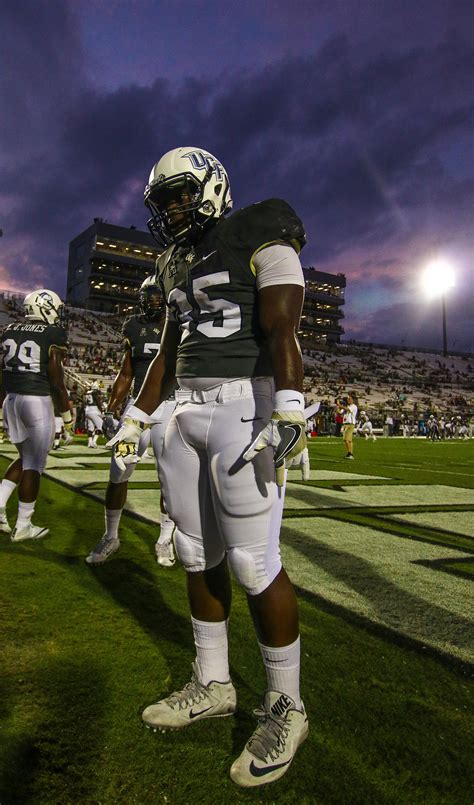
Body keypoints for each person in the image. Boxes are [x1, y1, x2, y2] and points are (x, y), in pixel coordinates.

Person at [108, 147, 308, 787]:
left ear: (214, 186)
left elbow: (282, 326)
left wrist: (291, 402)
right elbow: (169, 346)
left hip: (241, 405)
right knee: (196, 552)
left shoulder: (257, 228)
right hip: (183, 412)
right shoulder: (173, 260)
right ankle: (213, 682)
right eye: (161, 199)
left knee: (254, 563)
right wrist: (139, 416)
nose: (171, 208)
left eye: (181, 193)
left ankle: (286, 706)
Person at [86, 276, 177, 566]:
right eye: (150, 295)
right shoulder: (133, 326)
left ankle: (165, 538)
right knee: (119, 472)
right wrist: (112, 409)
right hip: (137, 410)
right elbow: (126, 373)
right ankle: (111, 535)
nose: (154, 301)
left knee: (170, 480)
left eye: (158, 296)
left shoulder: (179, 323)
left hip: (171, 410)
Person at [0, 289, 73, 541]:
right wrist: (66, 415)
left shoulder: (10, 329)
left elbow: (3, 370)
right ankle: (23, 526)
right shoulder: (53, 333)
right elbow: (56, 380)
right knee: (34, 465)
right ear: (46, 307)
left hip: (11, 400)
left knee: (23, 457)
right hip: (36, 400)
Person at [84, 381, 103, 448]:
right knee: (101, 427)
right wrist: (101, 410)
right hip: (94, 410)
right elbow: (97, 402)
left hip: (87, 410)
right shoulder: (95, 392)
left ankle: (90, 443)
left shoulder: (87, 392)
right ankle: (94, 442)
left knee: (90, 428)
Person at [342, 392, 358, 458]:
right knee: (349, 440)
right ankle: (351, 453)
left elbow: (347, 409)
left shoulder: (353, 406)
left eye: (349, 399)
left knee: (346, 439)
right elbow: (341, 412)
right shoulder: (349, 406)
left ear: (352, 400)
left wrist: (340, 406)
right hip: (347, 424)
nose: (348, 400)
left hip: (350, 424)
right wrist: (338, 407)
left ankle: (349, 454)